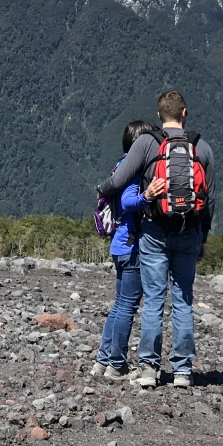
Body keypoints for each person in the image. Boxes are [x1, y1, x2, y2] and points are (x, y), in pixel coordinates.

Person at [98, 90, 215, 389]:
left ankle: (149, 367)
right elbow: (209, 200)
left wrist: (102, 188)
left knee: (152, 301)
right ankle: (182, 371)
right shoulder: (202, 147)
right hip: (190, 233)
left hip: (154, 231)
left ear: (159, 115)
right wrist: (203, 238)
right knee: (183, 301)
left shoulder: (148, 142)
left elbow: (119, 179)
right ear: (185, 113)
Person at [91, 120, 164, 381]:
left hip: (119, 243)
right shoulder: (133, 170)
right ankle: (116, 364)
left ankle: (102, 360)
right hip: (132, 245)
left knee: (120, 305)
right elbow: (128, 201)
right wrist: (148, 196)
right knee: (128, 306)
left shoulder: (121, 166)